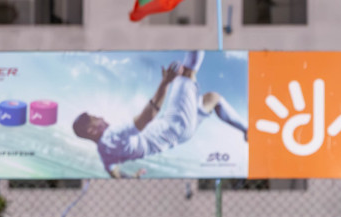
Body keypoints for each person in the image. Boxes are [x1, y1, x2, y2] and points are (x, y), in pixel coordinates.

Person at [72, 51, 247, 178]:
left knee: (213, 98)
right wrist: (165, 83)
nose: (101, 117)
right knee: (186, 72)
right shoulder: (112, 135)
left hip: (180, 136)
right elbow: (147, 117)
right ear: (91, 131)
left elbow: (114, 173)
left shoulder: (103, 152)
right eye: (96, 119)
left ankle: (247, 130)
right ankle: (201, 35)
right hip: (174, 124)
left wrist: (131, 179)